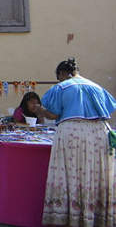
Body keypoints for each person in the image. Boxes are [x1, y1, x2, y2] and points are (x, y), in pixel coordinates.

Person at [38, 58, 116, 226]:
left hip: (72, 133)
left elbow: (53, 114)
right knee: (94, 174)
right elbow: (110, 108)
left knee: (71, 173)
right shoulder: (97, 87)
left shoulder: (61, 87)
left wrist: (41, 110)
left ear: (62, 74)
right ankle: (95, 215)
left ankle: (70, 216)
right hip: (100, 133)